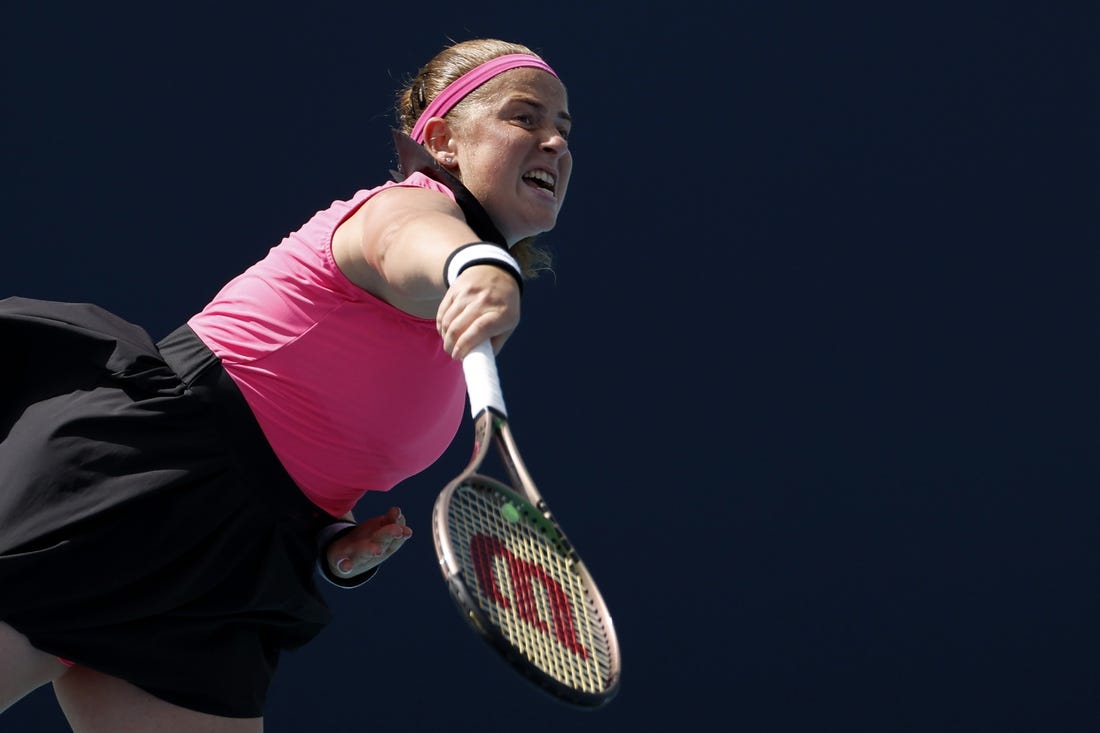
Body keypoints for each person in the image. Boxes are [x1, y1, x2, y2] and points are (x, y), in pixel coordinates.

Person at [0, 37, 572, 731]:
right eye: (525, 117)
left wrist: (330, 537)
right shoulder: (407, 213)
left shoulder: (462, 320)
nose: (553, 143)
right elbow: (411, 245)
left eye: (564, 132)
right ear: (445, 140)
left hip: (240, 564)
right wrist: (481, 267)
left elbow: (312, 431)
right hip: (134, 478)